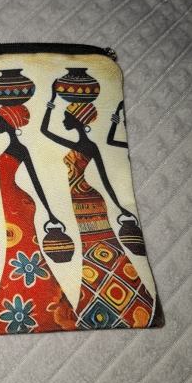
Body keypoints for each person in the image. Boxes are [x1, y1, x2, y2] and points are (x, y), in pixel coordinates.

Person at [41, 95, 154, 329]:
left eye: (67, 116)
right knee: (93, 247)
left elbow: (104, 178)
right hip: (79, 200)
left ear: (78, 120)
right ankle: (104, 293)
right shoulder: (82, 145)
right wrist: (50, 101)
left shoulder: (87, 146)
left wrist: (119, 206)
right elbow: (45, 131)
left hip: (88, 200)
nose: (64, 120)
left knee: (100, 246)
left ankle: (118, 295)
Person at [0, 105, 77, 334]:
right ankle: (22, 297)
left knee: (22, 250)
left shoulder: (19, 148)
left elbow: (35, 180)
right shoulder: (8, 146)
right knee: (15, 250)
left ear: (8, 122)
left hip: (17, 205)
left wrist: (50, 212)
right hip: (8, 203)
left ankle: (41, 301)